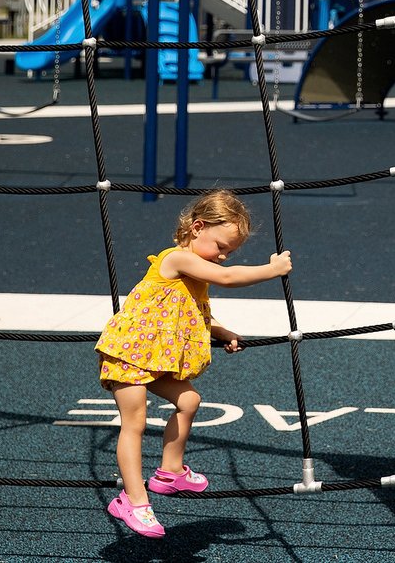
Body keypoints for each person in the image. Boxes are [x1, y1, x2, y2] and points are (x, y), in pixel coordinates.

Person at [96, 189, 293, 538]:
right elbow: (230, 279)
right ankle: (133, 500)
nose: (222, 257)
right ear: (197, 227)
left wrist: (220, 330)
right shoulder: (176, 259)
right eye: (220, 247)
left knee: (189, 400)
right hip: (128, 351)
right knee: (135, 421)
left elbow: (191, 313)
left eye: (229, 252)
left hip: (152, 358)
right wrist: (273, 269)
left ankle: (169, 472)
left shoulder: (196, 275)